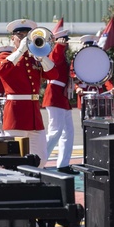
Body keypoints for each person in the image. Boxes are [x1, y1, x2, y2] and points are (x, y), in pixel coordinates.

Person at [0, 19, 60, 167]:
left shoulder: (35, 59)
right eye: (20, 35)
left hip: (34, 116)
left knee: (41, 158)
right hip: (15, 115)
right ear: (13, 38)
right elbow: (0, 70)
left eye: (27, 35)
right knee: (15, 159)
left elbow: (54, 74)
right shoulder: (5, 56)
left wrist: (42, 57)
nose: (24, 38)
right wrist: (20, 51)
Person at [43, 26, 75, 173]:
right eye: (65, 41)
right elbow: (55, 59)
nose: (66, 43)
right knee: (55, 131)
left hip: (62, 96)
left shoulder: (61, 53)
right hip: (55, 95)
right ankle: (39, 160)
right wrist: (59, 45)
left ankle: (63, 164)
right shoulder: (55, 52)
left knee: (68, 132)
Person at [73, 34, 114, 122]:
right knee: (86, 123)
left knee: (100, 122)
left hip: (99, 94)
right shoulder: (77, 61)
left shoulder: (99, 60)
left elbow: (106, 78)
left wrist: (111, 88)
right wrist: (77, 88)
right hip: (84, 95)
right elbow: (74, 78)